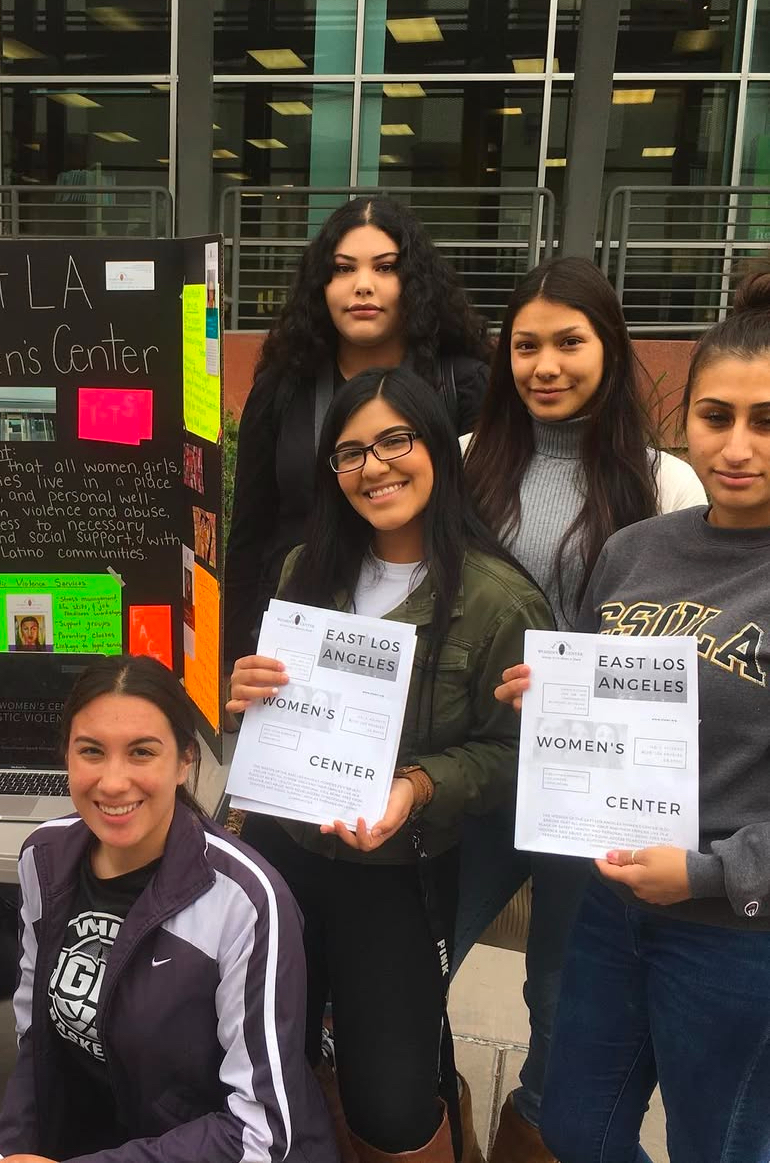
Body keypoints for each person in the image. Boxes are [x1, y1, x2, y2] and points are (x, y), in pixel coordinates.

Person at [228, 368, 552, 1163]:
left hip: (400, 869)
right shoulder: (304, 568)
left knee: (391, 1101)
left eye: (394, 441)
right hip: (284, 850)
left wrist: (419, 784)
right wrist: (249, 689)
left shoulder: (498, 599)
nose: (373, 467)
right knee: (266, 1052)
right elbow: (278, 705)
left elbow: (515, 753)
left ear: (436, 445)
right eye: (350, 452)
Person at [494, 263, 770, 1163]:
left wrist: (707, 873)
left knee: (718, 1145)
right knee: (578, 1125)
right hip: (615, 905)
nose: (737, 446)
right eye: (716, 416)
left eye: (766, 421)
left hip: (737, 929)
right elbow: (594, 691)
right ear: (686, 419)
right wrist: (549, 701)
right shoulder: (636, 550)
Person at [455, 257, 706, 1162]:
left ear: (610, 348)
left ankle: (530, 1127)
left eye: (569, 342)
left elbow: (690, 643)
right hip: (474, 764)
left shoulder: (667, 483)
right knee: (410, 956)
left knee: (563, 991)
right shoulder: (461, 462)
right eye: (526, 346)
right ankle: (429, 1107)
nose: (546, 365)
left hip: (594, 790)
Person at [0, 654, 337, 1163]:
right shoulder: (43, 858)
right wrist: (11, 1150)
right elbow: (35, 1039)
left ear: (184, 761)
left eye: (141, 752)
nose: (113, 782)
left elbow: (261, 1131)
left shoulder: (245, 901)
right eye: (91, 751)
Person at [224, 196, 491, 666]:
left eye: (385, 268)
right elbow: (250, 531)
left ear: (415, 282)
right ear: (321, 285)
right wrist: (234, 656)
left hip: (436, 645)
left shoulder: (463, 385)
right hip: (297, 637)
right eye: (343, 269)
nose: (363, 286)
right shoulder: (284, 387)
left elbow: (488, 521)